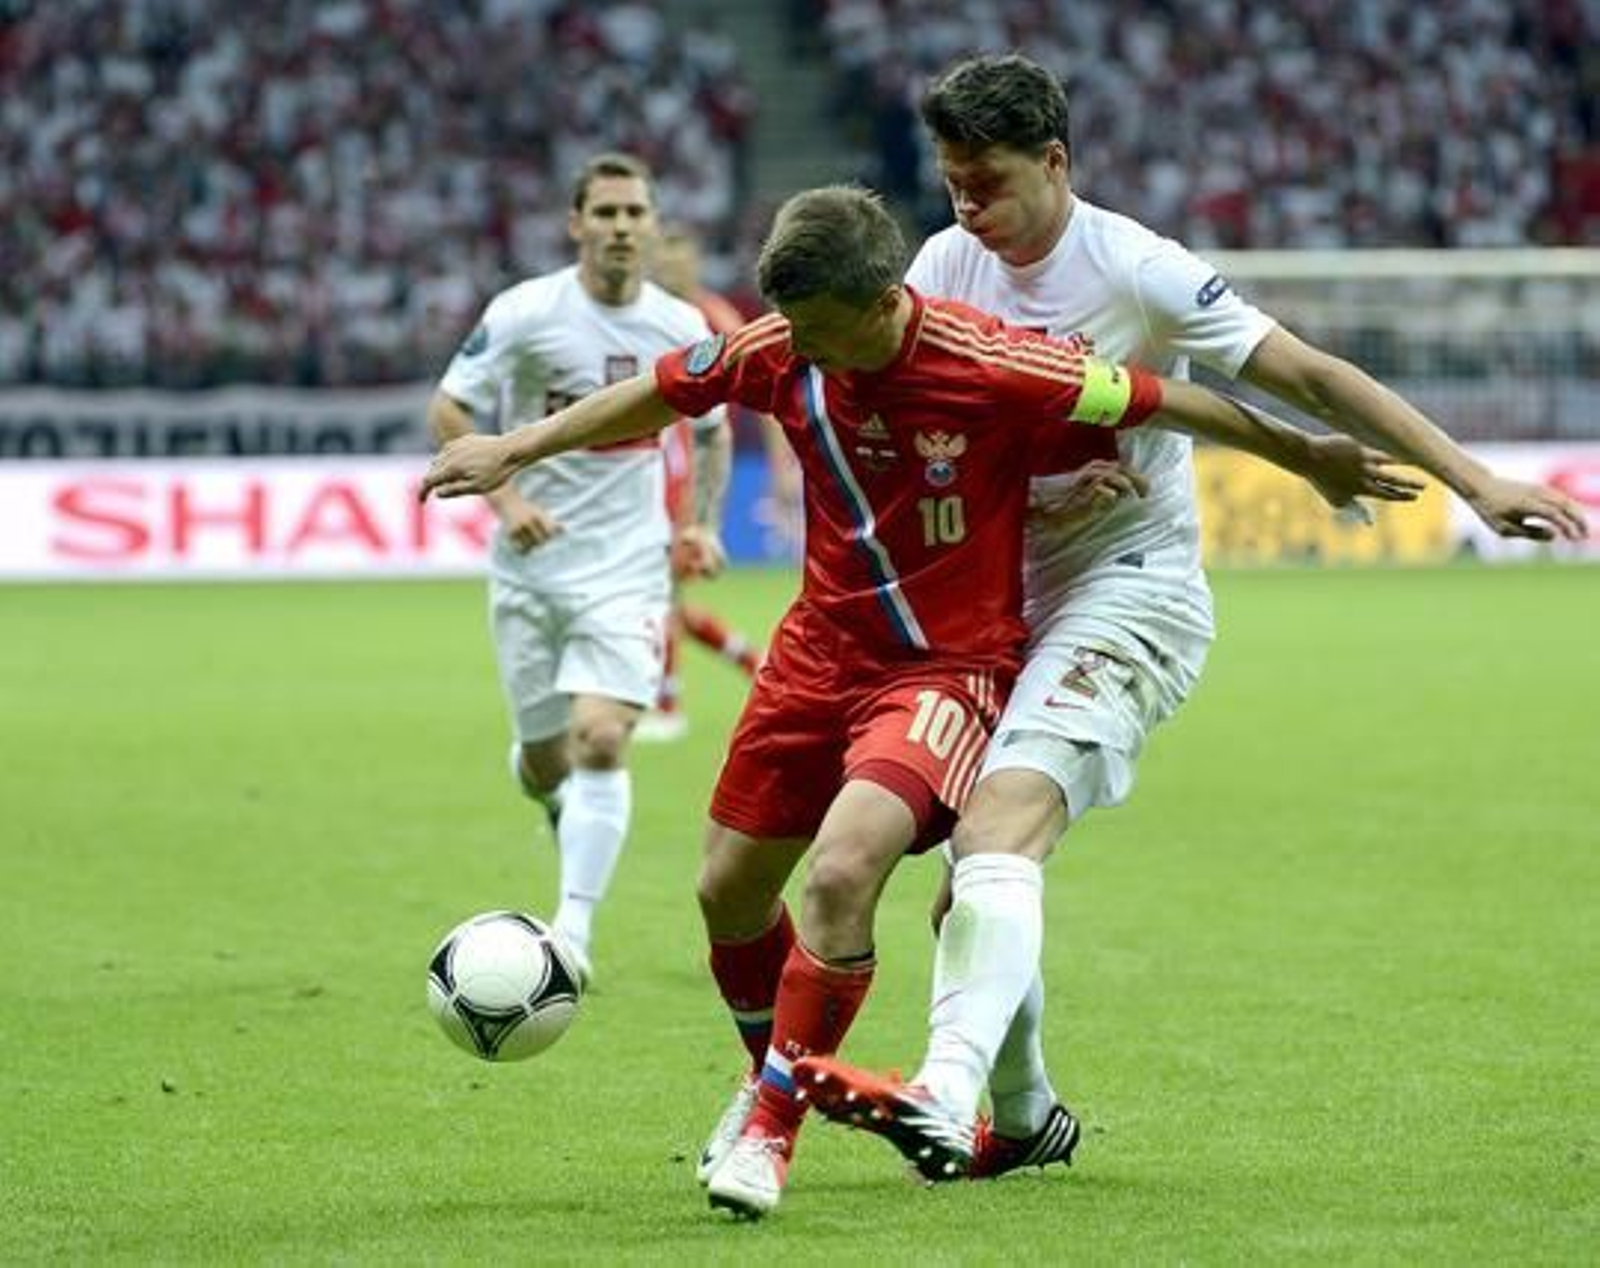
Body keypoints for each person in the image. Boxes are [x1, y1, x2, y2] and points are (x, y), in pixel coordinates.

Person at [420, 184, 1420, 1218]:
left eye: (818, 329)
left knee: (845, 869)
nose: (795, 348)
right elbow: (671, 392)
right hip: (817, 652)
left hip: (945, 667)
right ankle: (772, 1079)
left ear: (885, 302)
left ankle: (771, 1128)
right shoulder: (783, 347)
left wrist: (1304, 453)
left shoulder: (990, 358)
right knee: (725, 888)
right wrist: (514, 450)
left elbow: (1169, 400)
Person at [788, 54, 1591, 1181]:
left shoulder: (1136, 269)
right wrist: (1046, 484)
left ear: (1055, 163)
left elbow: (1306, 374)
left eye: (989, 184)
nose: (967, 207)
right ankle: (1022, 1120)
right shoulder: (940, 263)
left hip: (1132, 591)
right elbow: (940, 432)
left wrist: (1473, 479)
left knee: (995, 833)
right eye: (953, 183)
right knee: (966, 894)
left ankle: (944, 1085)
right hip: (995, 610)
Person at [425, 152, 731, 985]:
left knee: (602, 736)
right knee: (544, 760)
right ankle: (554, 802)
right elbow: (451, 405)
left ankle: (572, 934)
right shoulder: (525, 314)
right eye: (606, 214)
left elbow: (711, 431)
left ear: (653, 225)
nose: (623, 228)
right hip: (530, 567)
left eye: (636, 214)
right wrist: (511, 504)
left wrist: (698, 523)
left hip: (629, 567)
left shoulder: (679, 326)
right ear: (576, 224)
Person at [636, 224, 768, 743]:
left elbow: (766, 393)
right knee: (662, 595)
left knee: (659, 594)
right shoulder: (648, 317)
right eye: (664, 257)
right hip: (649, 470)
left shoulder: (712, 317)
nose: (671, 268)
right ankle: (754, 662)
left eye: (680, 256)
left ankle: (666, 704)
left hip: (689, 471)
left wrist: (780, 469)